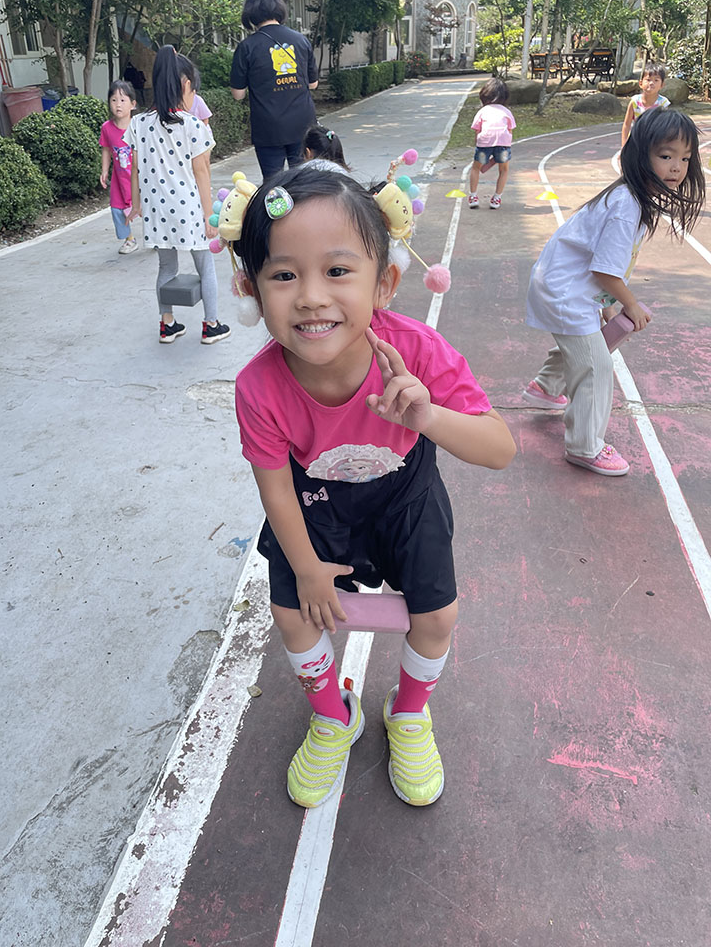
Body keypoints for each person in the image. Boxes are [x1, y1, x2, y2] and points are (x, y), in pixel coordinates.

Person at [234, 168, 516, 809]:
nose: (311, 297)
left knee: (437, 615)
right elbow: (275, 489)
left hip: (404, 496)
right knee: (292, 612)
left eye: (337, 271)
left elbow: (499, 449)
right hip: (314, 504)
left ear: (384, 283)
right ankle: (334, 714)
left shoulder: (417, 351)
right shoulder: (258, 387)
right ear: (250, 287)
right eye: (284, 275)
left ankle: (408, 711)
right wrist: (308, 571)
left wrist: (428, 417)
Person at [523, 109, 703, 475]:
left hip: (565, 285)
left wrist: (606, 305)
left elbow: (604, 264)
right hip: (564, 291)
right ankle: (585, 446)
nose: (676, 167)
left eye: (685, 159)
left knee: (585, 346)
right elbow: (605, 270)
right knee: (595, 366)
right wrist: (629, 304)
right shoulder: (627, 205)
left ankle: (545, 388)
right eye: (665, 155)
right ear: (639, 155)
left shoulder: (634, 198)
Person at [126, 46, 230, 345]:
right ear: (185, 85)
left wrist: (136, 204)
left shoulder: (138, 123)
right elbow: (202, 172)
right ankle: (211, 325)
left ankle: (167, 324)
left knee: (166, 267)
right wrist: (210, 217)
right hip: (189, 209)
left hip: (157, 210)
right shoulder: (192, 125)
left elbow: (134, 168)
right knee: (205, 266)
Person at [230, 0, 319, 180]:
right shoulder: (301, 40)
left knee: (272, 184)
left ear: (250, 10)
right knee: (303, 182)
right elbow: (313, 84)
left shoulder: (247, 47)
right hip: (302, 124)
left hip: (268, 128)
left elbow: (238, 94)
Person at [99, 79, 139, 255]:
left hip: (140, 178)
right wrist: (104, 171)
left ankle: (157, 237)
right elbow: (106, 149)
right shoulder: (107, 128)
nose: (118, 104)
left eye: (123, 100)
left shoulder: (138, 126)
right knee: (117, 209)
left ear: (133, 104)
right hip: (119, 179)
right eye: (114, 100)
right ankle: (129, 239)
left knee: (149, 209)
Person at [468, 77, 516, 210]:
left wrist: (478, 145)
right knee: (504, 169)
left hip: (484, 143)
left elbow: (477, 130)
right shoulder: (506, 112)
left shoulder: (482, 111)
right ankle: (496, 198)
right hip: (503, 144)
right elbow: (510, 130)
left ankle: (473, 196)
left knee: (476, 168)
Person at [621, 62, 670, 146]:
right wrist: (624, 145)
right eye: (648, 80)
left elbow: (666, 126)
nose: (651, 83)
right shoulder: (634, 101)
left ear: (662, 85)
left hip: (655, 143)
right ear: (640, 83)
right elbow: (626, 124)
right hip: (636, 141)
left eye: (656, 80)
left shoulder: (663, 103)